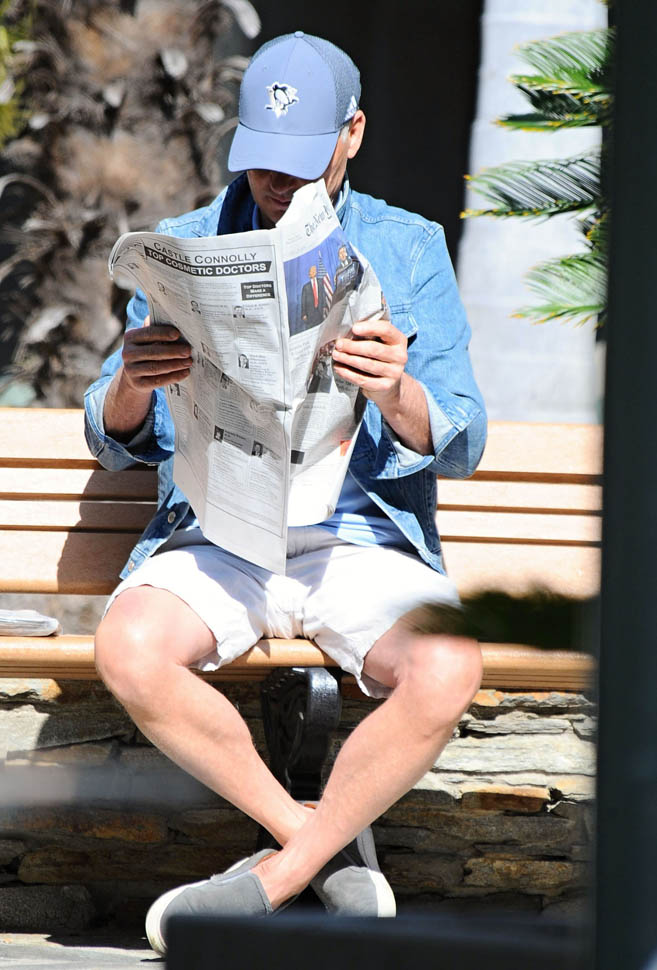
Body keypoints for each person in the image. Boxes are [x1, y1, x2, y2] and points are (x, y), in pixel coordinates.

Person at [84, 30, 486, 954]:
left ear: (353, 133)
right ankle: (319, 845)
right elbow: (111, 437)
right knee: (130, 647)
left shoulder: (408, 247)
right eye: (262, 158)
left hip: (359, 538)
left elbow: (461, 438)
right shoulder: (186, 244)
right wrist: (135, 381)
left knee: (449, 664)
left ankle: (271, 879)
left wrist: (396, 392)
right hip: (219, 533)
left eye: (303, 157)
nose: (278, 180)